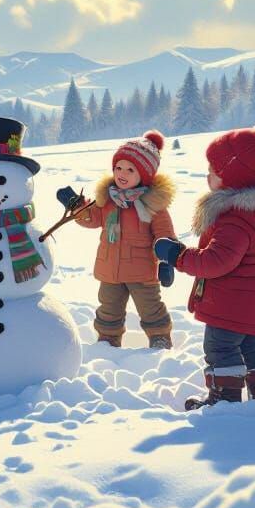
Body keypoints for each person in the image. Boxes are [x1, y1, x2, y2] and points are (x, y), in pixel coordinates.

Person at [155, 117, 255, 408]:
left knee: (220, 349)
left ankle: (225, 399)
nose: (207, 176)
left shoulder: (235, 220)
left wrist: (179, 256)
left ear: (233, 176)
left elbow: (216, 261)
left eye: (213, 170)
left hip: (233, 305)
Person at [64, 131, 177, 349]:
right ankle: (108, 339)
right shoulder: (106, 200)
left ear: (144, 176)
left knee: (150, 307)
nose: (122, 173)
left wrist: (167, 261)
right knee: (108, 307)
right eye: (118, 168)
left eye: (130, 169)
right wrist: (77, 206)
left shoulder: (153, 205)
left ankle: (160, 336)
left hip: (142, 271)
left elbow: (165, 234)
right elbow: (92, 218)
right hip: (109, 269)